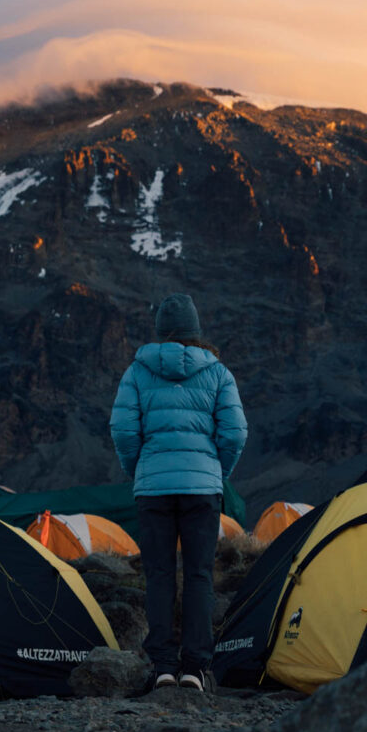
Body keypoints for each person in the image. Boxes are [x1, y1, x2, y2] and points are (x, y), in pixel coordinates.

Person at [109, 293, 247, 691]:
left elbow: (122, 430)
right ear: (195, 330)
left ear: (161, 331)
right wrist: (215, 473)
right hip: (202, 490)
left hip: (154, 490)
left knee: (159, 575)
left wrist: (140, 470)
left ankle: (163, 668)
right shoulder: (218, 373)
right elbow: (235, 433)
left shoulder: (137, 371)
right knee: (200, 575)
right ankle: (195, 669)